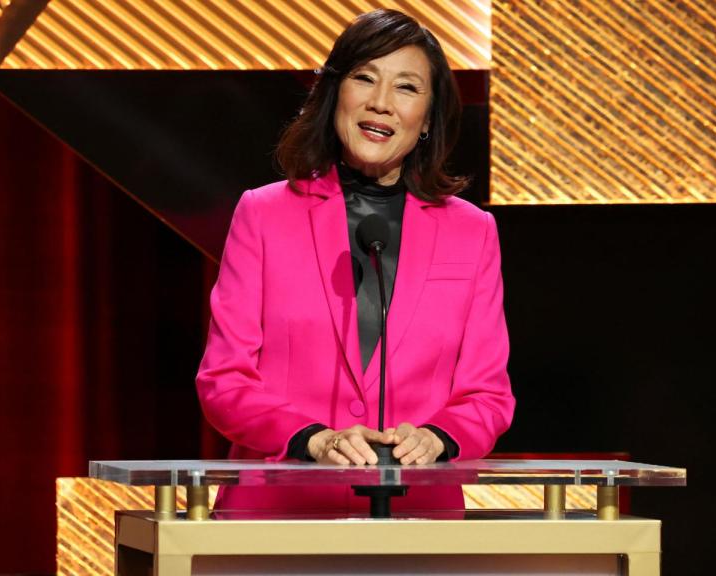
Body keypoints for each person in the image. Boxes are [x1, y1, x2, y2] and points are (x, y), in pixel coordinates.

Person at [196, 9, 514, 513]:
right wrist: (310, 439)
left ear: (429, 117)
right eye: (364, 78)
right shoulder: (263, 214)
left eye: (406, 88)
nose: (381, 103)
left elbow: (488, 396)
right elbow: (224, 380)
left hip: (417, 520)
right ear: (334, 94)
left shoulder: (471, 233)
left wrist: (438, 437)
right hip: (275, 520)